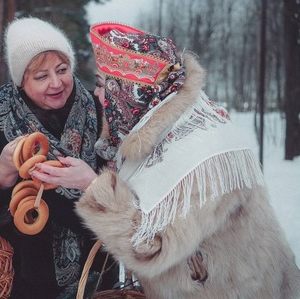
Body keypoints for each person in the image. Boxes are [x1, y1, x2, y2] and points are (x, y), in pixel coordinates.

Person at [75, 22, 300, 298]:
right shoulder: (173, 126)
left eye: (102, 85)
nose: (97, 95)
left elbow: (150, 249)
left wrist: (93, 187)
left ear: (130, 91)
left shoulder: (196, 153)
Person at [0, 17, 117, 298]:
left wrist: (92, 181)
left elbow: (129, 187)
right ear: (21, 81)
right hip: (23, 276)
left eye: (62, 69)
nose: (56, 83)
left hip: (96, 269)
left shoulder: (98, 108)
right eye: (41, 76)